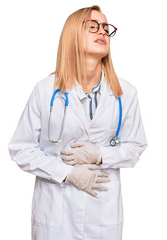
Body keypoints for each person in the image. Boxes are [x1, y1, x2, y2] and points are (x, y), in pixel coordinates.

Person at [8, 5, 148, 240]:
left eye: (105, 27)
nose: (102, 32)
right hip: (55, 211)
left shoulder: (125, 93)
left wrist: (100, 154)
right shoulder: (46, 90)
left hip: (103, 212)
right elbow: (20, 149)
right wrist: (67, 173)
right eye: (93, 27)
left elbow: (136, 146)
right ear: (72, 34)